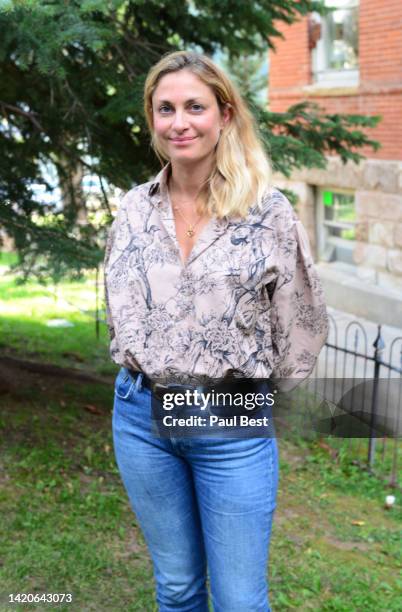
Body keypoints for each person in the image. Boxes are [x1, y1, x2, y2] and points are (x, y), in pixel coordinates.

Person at [104, 50, 328, 612]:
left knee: (238, 599)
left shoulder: (266, 212)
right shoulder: (133, 209)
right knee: (176, 588)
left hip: (230, 423)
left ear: (224, 115)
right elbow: (121, 308)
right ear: (152, 119)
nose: (179, 122)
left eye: (195, 107)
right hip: (141, 421)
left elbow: (303, 320)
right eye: (166, 108)